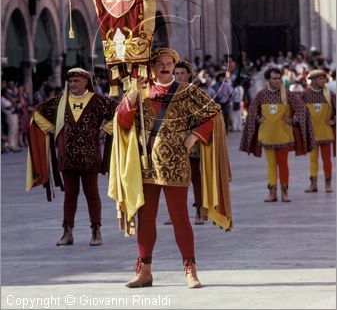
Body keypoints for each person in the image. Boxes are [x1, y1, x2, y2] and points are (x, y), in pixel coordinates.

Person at [109, 48, 232, 289]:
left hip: (176, 164)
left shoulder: (188, 92)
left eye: (169, 63)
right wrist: (133, 96)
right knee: (146, 218)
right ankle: (144, 270)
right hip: (145, 165)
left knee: (180, 218)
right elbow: (122, 121)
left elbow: (212, 115)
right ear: (152, 67)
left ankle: (190, 270)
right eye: (160, 64)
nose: (165, 67)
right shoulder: (139, 91)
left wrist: (194, 136)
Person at [27, 68, 117, 246]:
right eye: (70, 81)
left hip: (90, 157)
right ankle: (67, 232)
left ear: (86, 82)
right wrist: (54, 131)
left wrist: (104, 130)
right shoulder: (59, 102)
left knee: (92, 193)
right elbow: (36, 113)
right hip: (67, 157)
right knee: (70, 194)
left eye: (76, 81)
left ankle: (96, 231)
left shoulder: (98, 101)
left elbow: (120, 114)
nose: (73, 84)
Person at [239, 67, 315, 202]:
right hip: (267, 136)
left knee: (283, 164)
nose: (278, 80)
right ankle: (272, 192)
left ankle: (285, 192)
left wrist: (292, 120)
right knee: (271, 164)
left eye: (279, 78)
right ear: (268, 79)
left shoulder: (287, 94)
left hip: (284, 136)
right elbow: (251, 111)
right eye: (274, 78)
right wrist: (257, 118)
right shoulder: (261, 94)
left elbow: (303, 109)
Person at [164, 60, 205, 226]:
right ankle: (174, 213)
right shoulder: (168, 93)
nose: (179, 76)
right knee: (173, 180)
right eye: (177, 73)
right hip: (172, 142)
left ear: (189, 74)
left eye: (182, 73)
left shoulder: (195, 93)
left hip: (191, 141)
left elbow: (207, 116)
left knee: (195, 177)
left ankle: (199, 210)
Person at [301, 70, 336, 193]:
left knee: (327, 159)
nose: (323, 81)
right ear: (313, 80)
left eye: (324, 79)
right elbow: (299, 111)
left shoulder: (330, 95)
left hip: (326, 132)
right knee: (313, 159)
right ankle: (313, 184)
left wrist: (334, 120)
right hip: (312, 133)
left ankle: (328, 183)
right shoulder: (305, 95)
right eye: (320, 79)